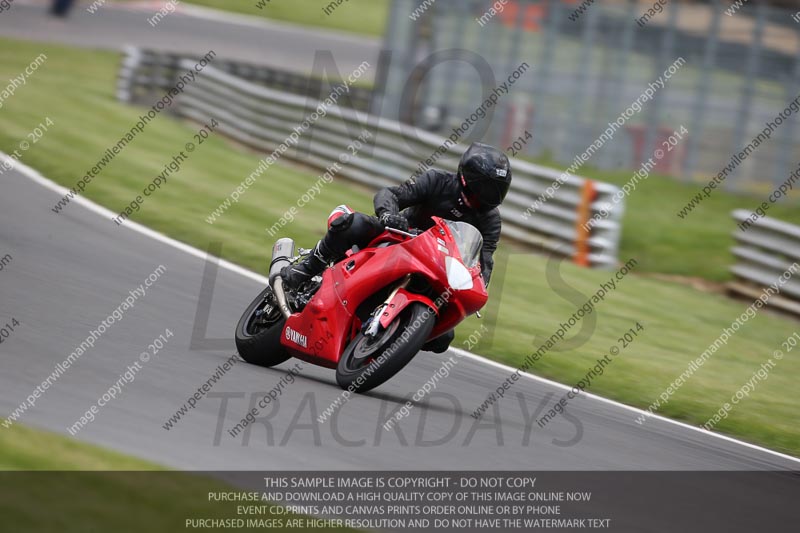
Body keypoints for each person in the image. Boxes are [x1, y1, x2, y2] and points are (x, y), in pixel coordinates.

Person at [273, 142, 512, 352]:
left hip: (438, 270)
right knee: (354, 224)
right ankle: (306, 269)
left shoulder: (490, 221)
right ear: (465, 178)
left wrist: (476, 284)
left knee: (442, 338)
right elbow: (392, 194)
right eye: (483, 189)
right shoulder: (438, 181)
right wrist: (389, 215)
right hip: (400, 239)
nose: (485, 197)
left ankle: (391, 336)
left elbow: (484, 262)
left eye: (494, 192)